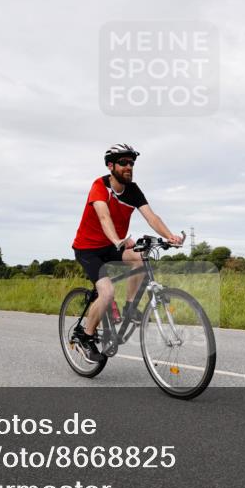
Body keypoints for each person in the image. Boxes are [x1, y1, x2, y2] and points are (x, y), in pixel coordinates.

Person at [70, 144, 184, 363]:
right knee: (107, 291)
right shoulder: (100, 186)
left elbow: (151, 217)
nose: (129, 167)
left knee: (141, 258)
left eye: (131, 163)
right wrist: (117, 241)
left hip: (115, 246)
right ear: (111, 166)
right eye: (123, 163)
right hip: (89, 249)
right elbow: (104, 218)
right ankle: (86, 336)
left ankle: (130, 307)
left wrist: (170, 236)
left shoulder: (132, 189)